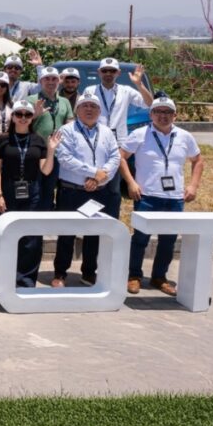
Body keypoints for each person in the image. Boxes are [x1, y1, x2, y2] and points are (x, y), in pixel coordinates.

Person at [119, 97, 204, 296]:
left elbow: (198, 161)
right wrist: (131, 182)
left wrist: (193, 185)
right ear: (151, 115)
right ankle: (133, 276)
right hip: (146, 196)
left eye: (167, 112)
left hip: (175, 198)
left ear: (175, 115)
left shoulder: (184, 136)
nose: (163, 115)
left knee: (168, 240)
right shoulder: (139, 134)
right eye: (158, 111)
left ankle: (159, 277)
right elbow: (121, 157)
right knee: (140, 239)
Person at [52, 92, 121, 287]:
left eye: (93, 106)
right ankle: (60, 274)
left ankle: (89, 272)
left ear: (99, 111)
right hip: (71, 191)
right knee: (66, 233)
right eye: (85, 106)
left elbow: (115, 157)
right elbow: (65, 158)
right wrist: (94, 172)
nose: (89, 109)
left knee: (94, 233)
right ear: (77, 110)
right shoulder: (66, 130)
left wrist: (101, 176)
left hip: (98, 191)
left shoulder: (107, 132)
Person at [0, 101, 60, 287]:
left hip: (32, 192)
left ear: (32, 118)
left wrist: (51, 149)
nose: (23, 118)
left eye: (27, 115)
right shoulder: (3, 139)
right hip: (7, 191)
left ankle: (26, 281)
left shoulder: (38, 140)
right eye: (19, 114)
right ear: (13, 117)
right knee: (6, 235)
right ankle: (5, 279)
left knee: (31, 238)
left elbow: (45, 171)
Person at [28, 66, 74, 209]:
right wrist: (34, 115)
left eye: (54, 78)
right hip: (36, 152)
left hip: (57, 152)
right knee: (35, 190)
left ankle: (47, 219)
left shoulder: (65, 102)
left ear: (59, 81)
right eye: (47, 79)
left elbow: (70, 123)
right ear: (41, 81)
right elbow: (21, 124)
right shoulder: (31, 100)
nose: (50, 82)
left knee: (50, 189)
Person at [83, 58, 153, 144]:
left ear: (118, 72)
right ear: (99, 72)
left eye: (112, 71)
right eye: (104, 70)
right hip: (95, 139)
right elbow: (82, 114)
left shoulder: (126, 91)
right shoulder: (89, 91)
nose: (108, 73)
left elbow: (149, 103)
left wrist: (139, 84)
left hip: (120, 141)